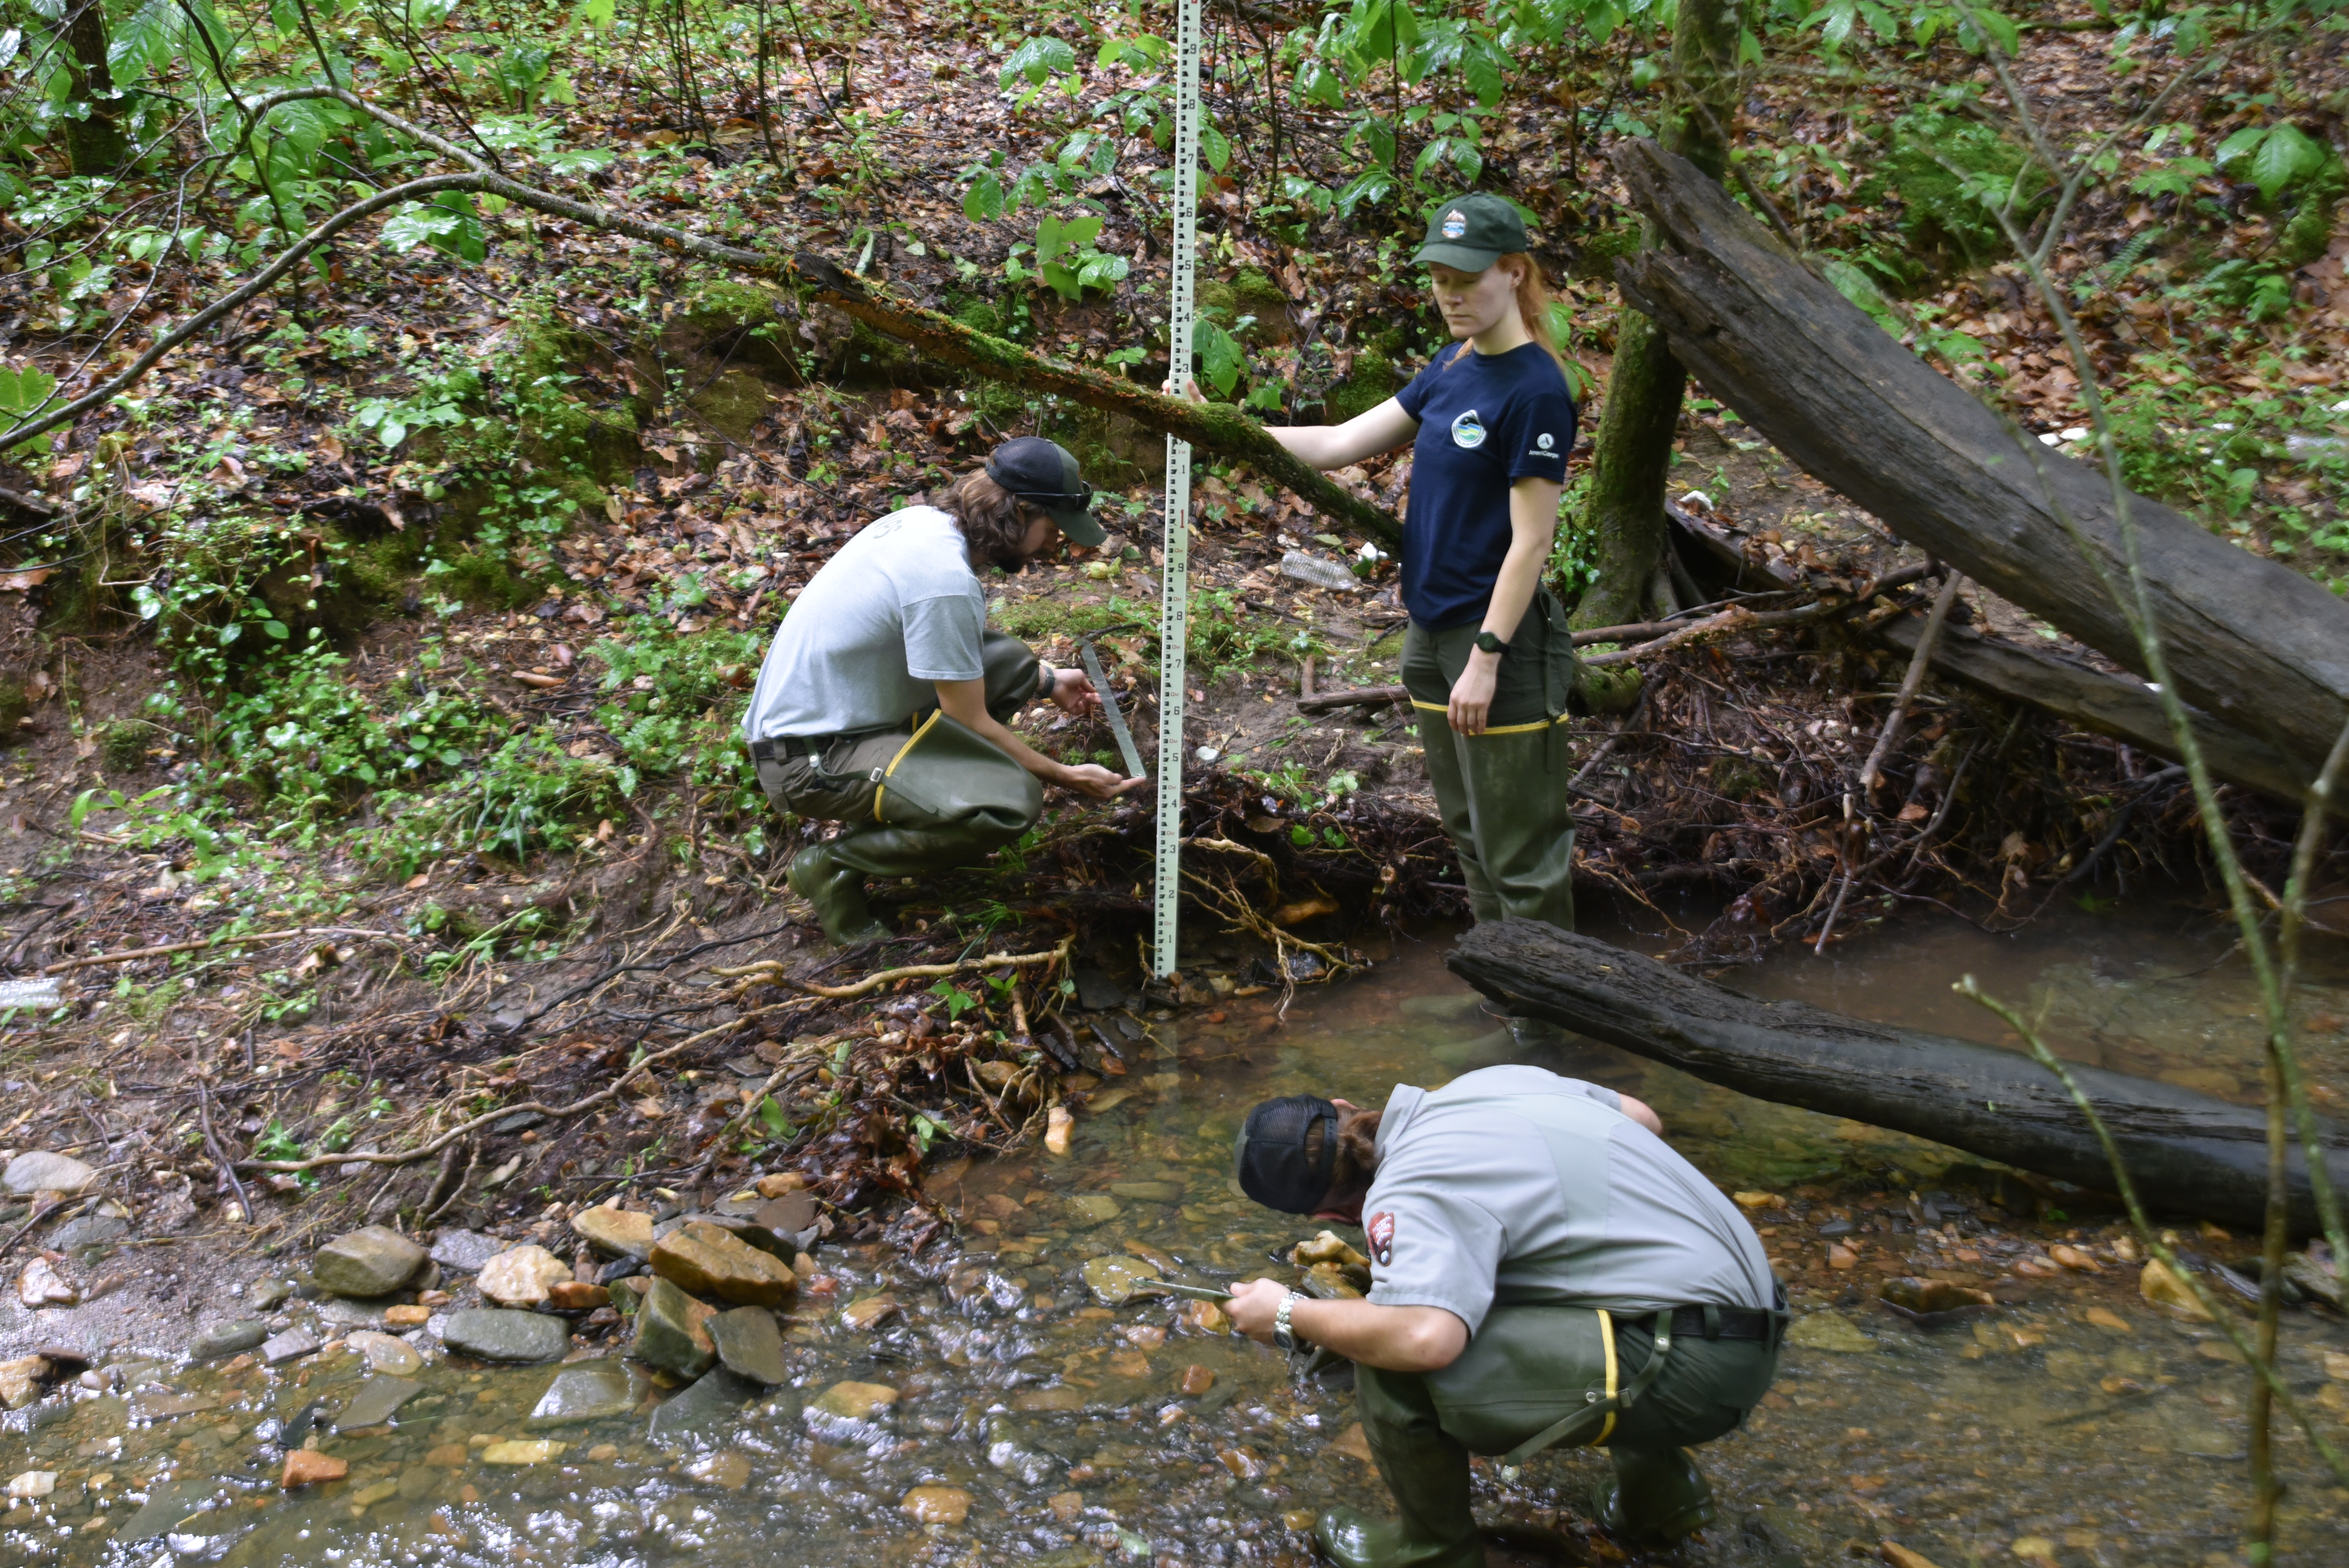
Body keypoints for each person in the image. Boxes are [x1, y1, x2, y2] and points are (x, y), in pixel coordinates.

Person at [1182, 192, 1586, 948]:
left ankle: (1545, 1041)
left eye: (1466, 277)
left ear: (1514, 272)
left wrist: (1487, 658)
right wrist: (1220, 429)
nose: (1449, 293)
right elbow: (1339, 442)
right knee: (1469, 841)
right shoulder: (1450, 366)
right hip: (1431, 638)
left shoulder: (1535, 391)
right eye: (1438, 276)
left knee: (1522, 857)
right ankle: (1503, 1001)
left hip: (1495, 644)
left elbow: (1530, 542)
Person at [1225, 1067, 1785, 1563]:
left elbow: (1424, 1340)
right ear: (1345, 1106)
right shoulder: (1483, 1085)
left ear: (1325, 1212)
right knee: (1549, 1271)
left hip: (1704, 1367)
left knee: (1389, 1351)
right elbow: (1645, 1119)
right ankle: (1661, 1497)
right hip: (1753, 1311)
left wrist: (1289, 1312)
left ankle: (1431, 1551)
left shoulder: (1407, 1193)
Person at [742, 436, 1147, 943]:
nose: (1052, 545)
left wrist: (1047, 680)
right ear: (1020, 512)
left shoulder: (925, 526)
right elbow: (967, 720)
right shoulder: (945, 580)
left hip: (835, 717)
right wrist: (1066, 776)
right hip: (808, 759)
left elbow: (952, 654)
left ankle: (906, 806)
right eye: (1051, 529)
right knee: (1009, 802)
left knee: (1012, 663)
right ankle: (833, 866)